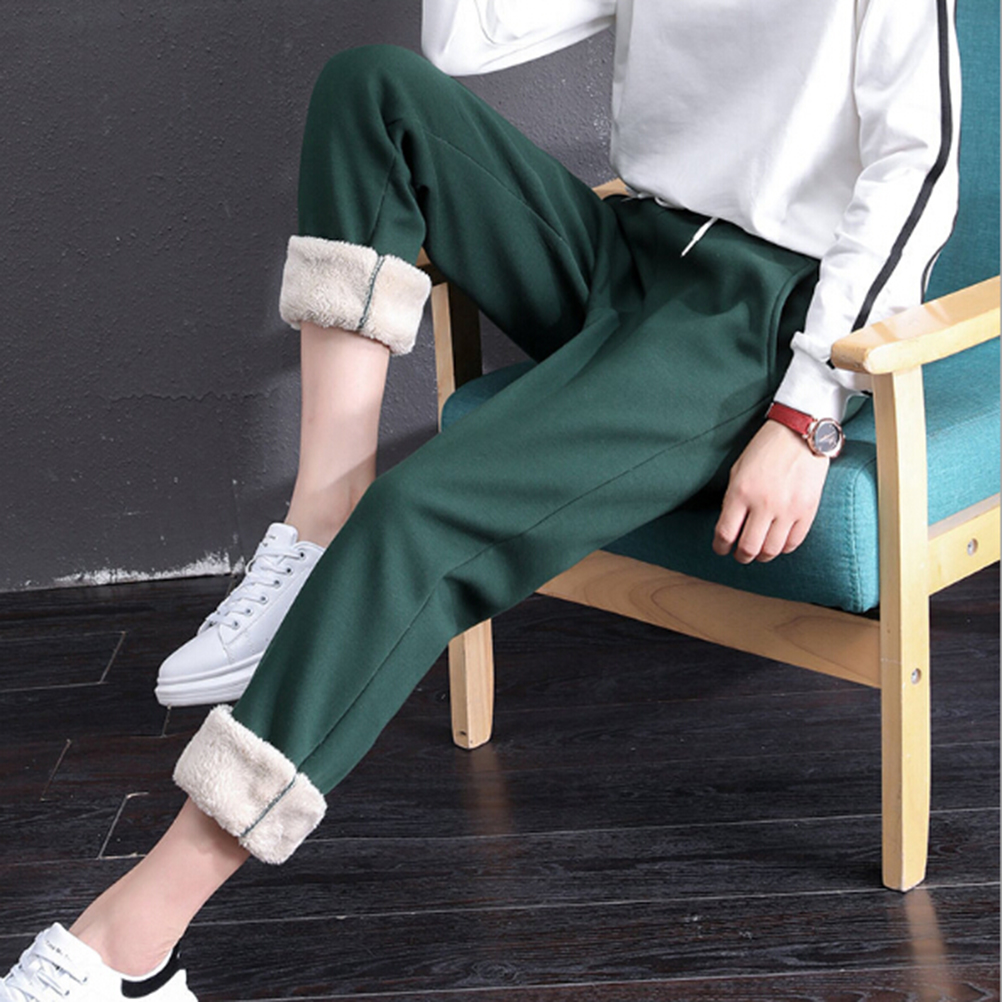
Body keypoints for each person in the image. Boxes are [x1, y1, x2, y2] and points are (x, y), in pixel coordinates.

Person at [2, 1, 959, 998]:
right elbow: (464, 41)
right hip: (628, 250)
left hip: (752, 315)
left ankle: (130, 947)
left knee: (416, 520)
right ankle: (322, 521)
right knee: (374, 89)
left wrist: (807, 414)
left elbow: (922, 168)